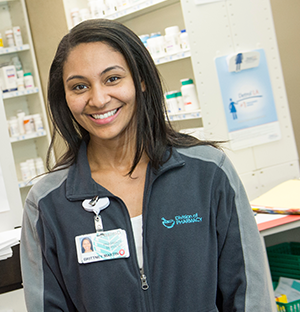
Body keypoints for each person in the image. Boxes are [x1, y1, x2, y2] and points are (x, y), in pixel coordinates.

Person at [20, 19, 274, 311]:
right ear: (64, 98)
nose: (99, 99)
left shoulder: (208, 172)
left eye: (112, 79)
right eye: (79, 87)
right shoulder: (47, 203)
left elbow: (249, 293)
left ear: (140, 80)